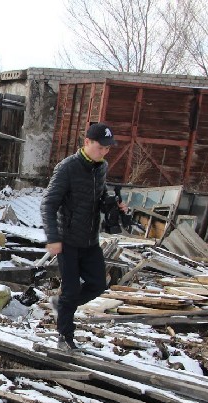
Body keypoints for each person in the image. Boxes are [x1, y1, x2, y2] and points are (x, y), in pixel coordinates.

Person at [41, 122, 124, 352]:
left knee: (98, 284)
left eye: (108, 148)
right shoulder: (67, 168)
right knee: (70, 290)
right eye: (101, 147)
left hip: (90, 240)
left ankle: (62, 306)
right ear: (87, 142)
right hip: (67, 241)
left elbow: (97, 198)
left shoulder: (101, 167)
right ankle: (64, 338)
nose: (105, 152)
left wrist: (113, 205)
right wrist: (53, 237)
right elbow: (48, 204)